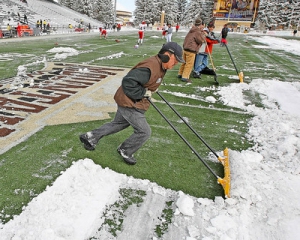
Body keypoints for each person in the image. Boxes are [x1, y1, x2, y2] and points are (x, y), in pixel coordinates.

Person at [79, 42, 185, 165]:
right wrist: (144, 92)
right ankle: (126, 150)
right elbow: (128, 82)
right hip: (129, 102)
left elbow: (147, 80)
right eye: (175, 60)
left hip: (131, 100)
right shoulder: (149, 67)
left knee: (118, 124)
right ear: (166, 55)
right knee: (144, 131)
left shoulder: (159, 65)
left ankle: (90, 137)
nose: (176, 63)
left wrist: (152, 88)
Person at [177, 18, 206, 83]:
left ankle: (180, 73)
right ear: (200, 24)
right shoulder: (197, 31)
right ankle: (185, 77)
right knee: (189, 64)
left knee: (184, 62)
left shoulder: (192, 30)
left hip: (185, 48)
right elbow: (200, 40)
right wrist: (203, 37)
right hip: (191, 50)